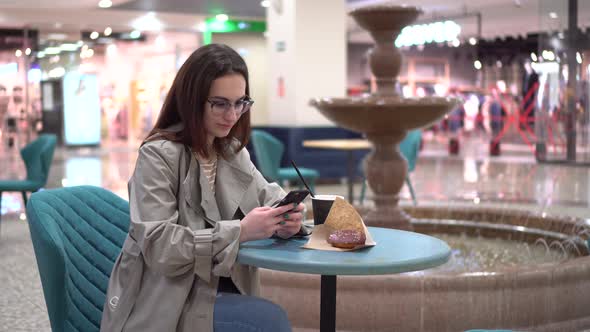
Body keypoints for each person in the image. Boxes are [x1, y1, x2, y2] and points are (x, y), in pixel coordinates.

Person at [100, 44, 310, 332]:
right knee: (268, 321)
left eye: (241, 102)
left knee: (267, 317)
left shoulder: (232, 151)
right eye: (220, 103)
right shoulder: (158, 155)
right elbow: (161, 246)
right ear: (192, 100)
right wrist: (242, 231)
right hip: (171, 300)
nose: (232, 115)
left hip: (222, 287)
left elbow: (270, 197)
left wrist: (290, 220)